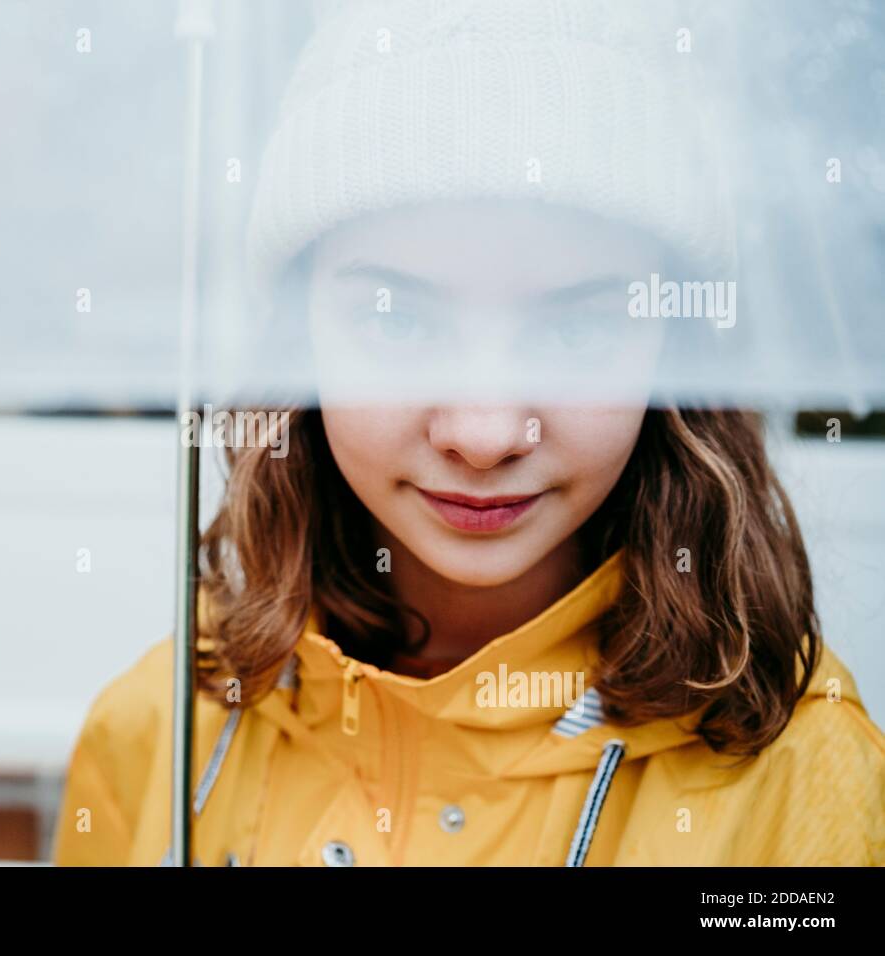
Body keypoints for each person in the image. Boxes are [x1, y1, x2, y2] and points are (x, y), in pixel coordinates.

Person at [52, 0, 885, 866]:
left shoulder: (799, 783)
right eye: (398, 321)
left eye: (574, 331)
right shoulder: (163, 729)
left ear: (674, 349)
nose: (485, 434)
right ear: (298, 336)